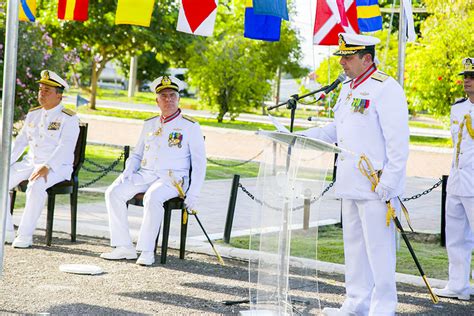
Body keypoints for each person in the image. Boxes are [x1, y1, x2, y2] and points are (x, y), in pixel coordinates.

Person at [299, 33, 409, 315]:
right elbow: (337, 130)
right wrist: (298, 136)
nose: (343, 63)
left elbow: (398, 142)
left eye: (348, 58)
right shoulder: (348, 88)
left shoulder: (386, 88)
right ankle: (356, 304)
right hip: (350, 183)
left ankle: (382, 308)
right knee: (355, 249)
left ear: (367, 59)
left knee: (379, 252)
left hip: (376, 185)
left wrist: (390, 183)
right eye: (342, 58)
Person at [100, 75, 206, 266]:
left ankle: (147, 251)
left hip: (172, 179)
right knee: (113, 193)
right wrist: (128, 171)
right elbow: (137, 153)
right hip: (147, 174)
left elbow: (199, 164)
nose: (168, 99)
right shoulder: (149, 123)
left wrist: (194, 194)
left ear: (179, 98)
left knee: (152, 197)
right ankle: (124, 246)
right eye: (163, 96)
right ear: (157, 100)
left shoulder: (190, 126)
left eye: (172, 95)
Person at [5, 70, 79, 248]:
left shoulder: (68, 118)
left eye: (47, 90)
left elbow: (65, 147)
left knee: (36, 186)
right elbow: (21, 142)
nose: (42, 93)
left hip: (57, 166)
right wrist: (5, 163)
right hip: (31, 162)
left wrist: (47, 165)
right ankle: (6, 231)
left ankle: (25, 235)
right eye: (40, 89)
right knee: (2, 180)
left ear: (59, 96)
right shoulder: (33, 114)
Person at [432, 58, 474, 301]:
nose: (466, 80)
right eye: (465, 76)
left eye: (471, 76)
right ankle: (458, 285)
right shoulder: (457, 108)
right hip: (457, 181)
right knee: (456, 236)